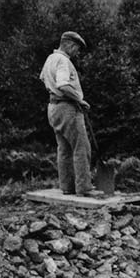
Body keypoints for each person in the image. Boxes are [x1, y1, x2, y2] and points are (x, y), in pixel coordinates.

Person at [39, 31, 102, 197]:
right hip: (67, 108)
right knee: (81, 147)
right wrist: (79, 100)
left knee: (64, 149)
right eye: (76, 48)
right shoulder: (63, 61)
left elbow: (43, 79)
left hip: (53, 108)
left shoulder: (50, 59)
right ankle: (84, 188)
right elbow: (63, 85)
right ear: (69, 44)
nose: (77, 52)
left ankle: (67, 187)